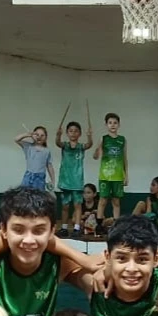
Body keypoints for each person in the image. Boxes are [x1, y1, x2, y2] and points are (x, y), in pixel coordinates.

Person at [0, 186, 93, 316]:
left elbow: (93, 281)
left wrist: (94, 277)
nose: (28, 240)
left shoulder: (57, 261)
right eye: (18, 230)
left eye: (38, 231)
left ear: (52, 231)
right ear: (3, 229)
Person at [55, 102, 93, 237]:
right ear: (67, 133)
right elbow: (57, 143)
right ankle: (64, 228)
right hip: (65, 180)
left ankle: (76, 228)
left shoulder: (81, 147)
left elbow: (89, 144)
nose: (73, 133)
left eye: (76, 131)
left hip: (77, 181)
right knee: (65, 206)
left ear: (80, 133)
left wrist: (90, 136)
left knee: (77, 206)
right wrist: (58, 135)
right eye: (70, 131)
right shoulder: (65, 145)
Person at [93, 113, 127, 231]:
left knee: (116, 201)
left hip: (118, 176)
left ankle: (116, 226)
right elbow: (95, 157)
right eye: (110, 123)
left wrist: (126, 175)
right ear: (106, 125)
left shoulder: (122, 140)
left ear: (119, 125)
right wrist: (98, 147)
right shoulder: (103, 138)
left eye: (115, 123)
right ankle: (99, 225)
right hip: (105, 175)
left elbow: (125, 158)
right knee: (103, 200)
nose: (113, 125)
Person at [15, 125, 54, 191]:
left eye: (42, 135)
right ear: (33, 135)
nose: (39, 137)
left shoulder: (47, 151)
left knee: (39, 195)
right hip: (28, 176)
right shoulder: (28, 146)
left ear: (46, 137)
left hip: (40, 178)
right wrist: (27, 134)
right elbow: (16, 139)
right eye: (37, 134)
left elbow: (49, 166)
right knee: (24, 194)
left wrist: (53, 180)